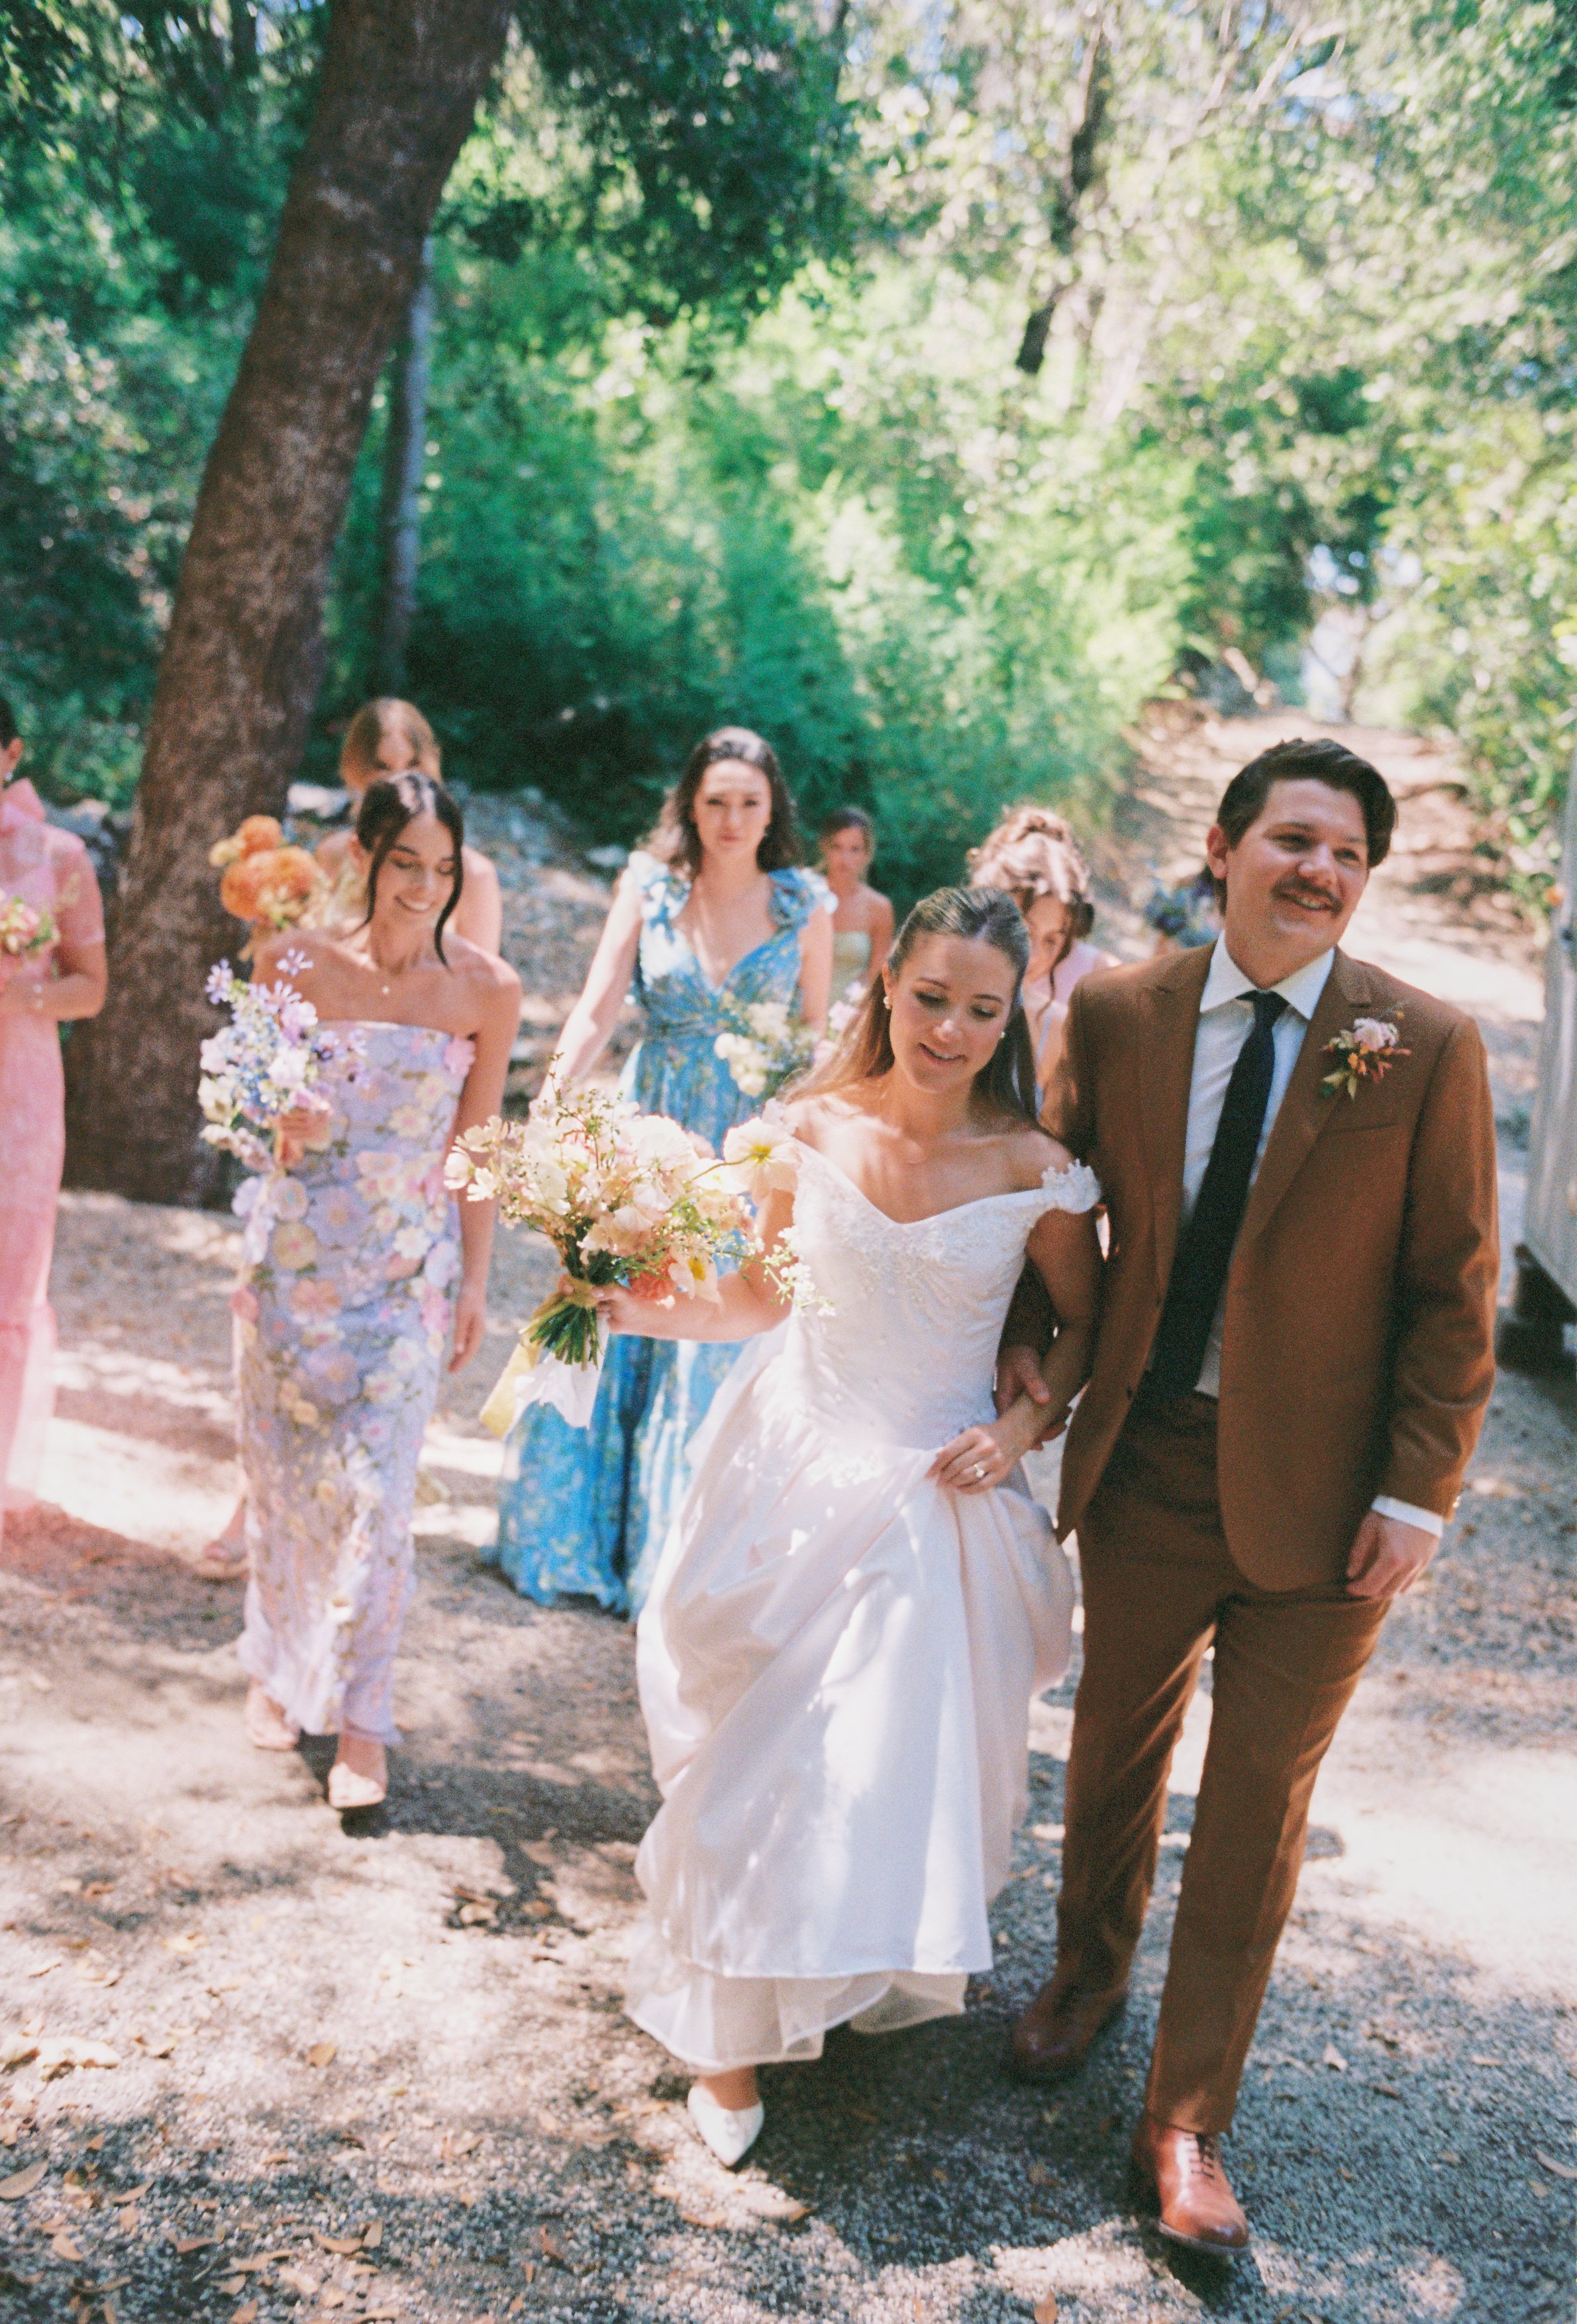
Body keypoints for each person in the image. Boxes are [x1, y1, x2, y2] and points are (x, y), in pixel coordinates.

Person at [997, 737, 1499, 2256]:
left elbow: (1454, 1295)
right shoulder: (1119, 1013)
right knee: (1106, 1768)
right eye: (1292, 838)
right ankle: (1083, 1984)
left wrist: (1418, 1495)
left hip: (1328, 1510)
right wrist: (1018, 1379)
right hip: (1147, 1462)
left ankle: (1187, 2115)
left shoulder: (1424, 1045)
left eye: (1347, 854)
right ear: (1223, 847)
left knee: (1256, 1814)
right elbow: (1051, 1212)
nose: (1320, 871)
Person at [596, 887, 1101, 2166]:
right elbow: (758, 1296)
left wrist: (1023, 1429)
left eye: (982, 1008)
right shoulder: (805, 1128)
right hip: (792, 1453)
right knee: (752, 1751)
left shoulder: (1035, 1168)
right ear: (887, 984)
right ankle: (722, 2029)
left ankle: (818, 1960)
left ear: (1013, 1015)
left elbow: (1084, 1324)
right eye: (930, 995)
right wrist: (634, 1304)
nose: (950, 1027)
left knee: (861, 1755)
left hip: (934, 1481)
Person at [489, 727, 833, 1615]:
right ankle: (569, 1541)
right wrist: (553, 1110)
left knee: (706, 1326)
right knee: (610, 1303)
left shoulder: (805, 905)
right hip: (650, 1117)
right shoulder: (650, 889)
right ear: (689, 804)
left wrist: (783, 1148)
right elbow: (600, 1005)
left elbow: (811, 1044)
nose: (730, 818)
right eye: (714, 800)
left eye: (748, 803)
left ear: (772, 812)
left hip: (744, 1143)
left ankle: (671, 1562)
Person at [235, 773, 519, 1809]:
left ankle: (363, 1720)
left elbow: (475, 1148)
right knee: (284, 1481)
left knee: (383, 1503)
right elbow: (245, 1112)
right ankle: (275, 1663)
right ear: (363, 852)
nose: (423, 887)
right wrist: (276, 1125)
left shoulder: (485, 988)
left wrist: (479, 1279)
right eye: (406, 863)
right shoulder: (290, 963)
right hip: (294, 1268)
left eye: (442, 870)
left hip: (408, 1277)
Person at [196, 699, 508, 1580]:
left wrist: (474, 1265)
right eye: (375, 769)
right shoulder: (327, 866)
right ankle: (263, 1517)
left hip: (408, 1161)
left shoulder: (465, 887)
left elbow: (457, 1039)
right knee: (286, 1383)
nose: (392, 778)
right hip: (310, 1169)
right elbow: (286, 1017)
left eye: (408, 760)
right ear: (354, 786)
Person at [0, 699, 107, 1544]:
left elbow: (92, 984)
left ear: (13, 753)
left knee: (9, 1274)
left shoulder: (60, 856)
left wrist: (20, 989)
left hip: (20, 1085)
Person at [314, 699, 504, 953]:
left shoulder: (474, 874)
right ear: (355, 771)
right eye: (383, 767)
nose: (401, 778)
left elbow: (483, 983)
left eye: (413, 764)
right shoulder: (333, 855)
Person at [968, 805, 1115, 1109]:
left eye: (1051, 940)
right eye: (1023, 929)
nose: (1033, 955)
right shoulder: (924, 988)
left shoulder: (1056, 1030)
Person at [817, 807, 893, 1003]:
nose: (845, 859)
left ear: (867, 854)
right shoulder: (806, 894)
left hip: (847, 1015)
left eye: (855, 849)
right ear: (825, 847)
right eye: (837, 847)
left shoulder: (879, 908)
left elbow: (877, 978)